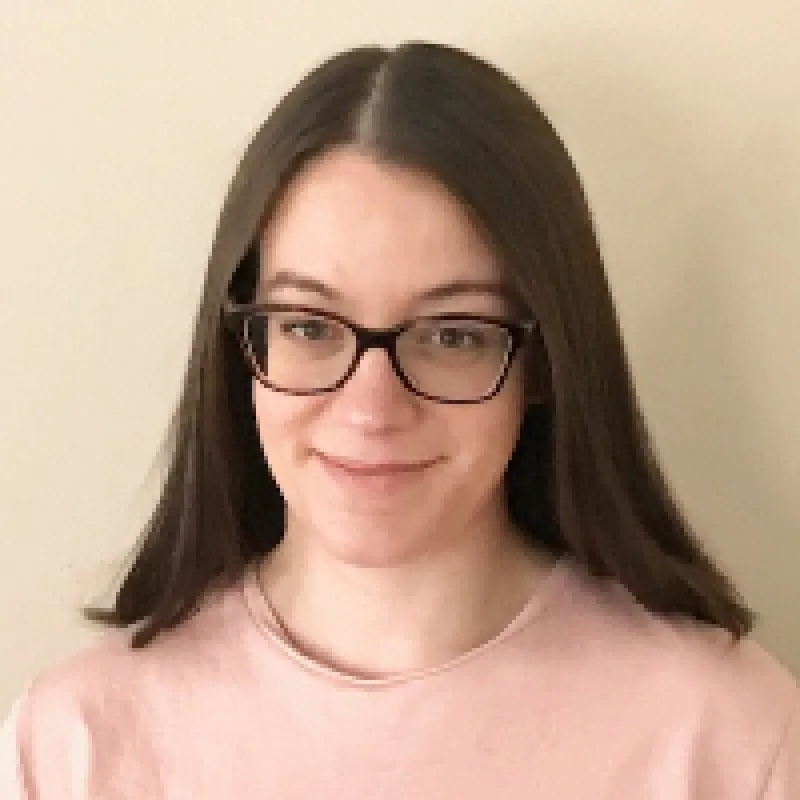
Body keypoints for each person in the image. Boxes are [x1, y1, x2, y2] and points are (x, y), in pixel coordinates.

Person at [1, 40, 797, 799]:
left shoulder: (727, 738)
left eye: (452, 334)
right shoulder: (73, 744)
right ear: (240, 349)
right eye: (310, 326)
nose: (372, 407)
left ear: (547, 361)